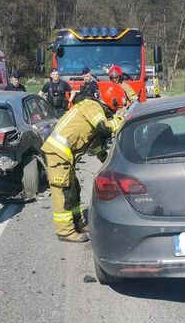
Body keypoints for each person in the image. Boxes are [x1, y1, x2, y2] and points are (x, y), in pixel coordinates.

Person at [41, 84, 127, 243]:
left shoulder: (94, 110)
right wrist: (120, 120)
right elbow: (104, 128)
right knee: (64, 191)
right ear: (112, 102)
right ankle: (65, 232)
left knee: (74, 189)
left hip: (64, 155)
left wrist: (106, 160)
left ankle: (78, 222)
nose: (114, 113)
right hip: (57, 153)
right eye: (115, 109)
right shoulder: (92, 106)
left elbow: (94, 144)